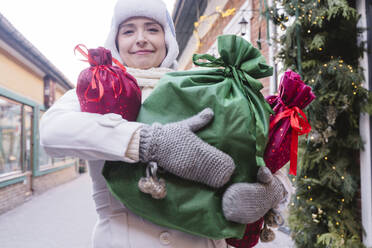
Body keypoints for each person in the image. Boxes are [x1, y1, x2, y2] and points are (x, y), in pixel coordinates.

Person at [39, 0, 289, 247]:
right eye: (128, 30)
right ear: (115, 41)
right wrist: (148, 142)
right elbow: (52, 132)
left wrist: (274, 190)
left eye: (152, 28)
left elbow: (251, 147)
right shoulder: (97, 88)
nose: (140, 38)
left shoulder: (202, 86)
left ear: (167, 39)